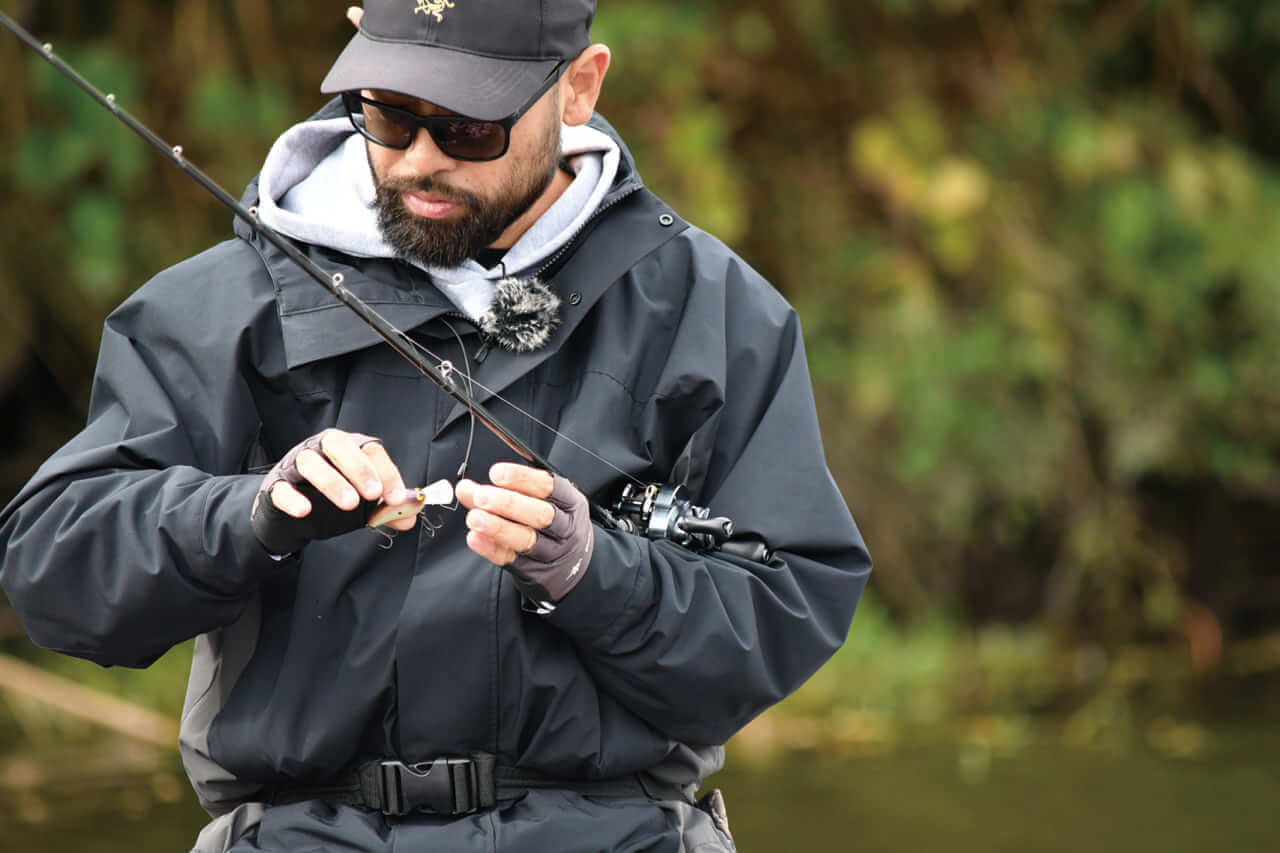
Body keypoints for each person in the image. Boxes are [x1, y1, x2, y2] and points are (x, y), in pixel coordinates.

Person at [0, 2, 872, 850]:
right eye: (388, 115)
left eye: (468, 127)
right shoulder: (220, 306)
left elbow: (789, 603)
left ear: (579, 89)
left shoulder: (709, 309)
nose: (419, 159)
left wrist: (596, 573)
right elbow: (49, 570)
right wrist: (247, 517)